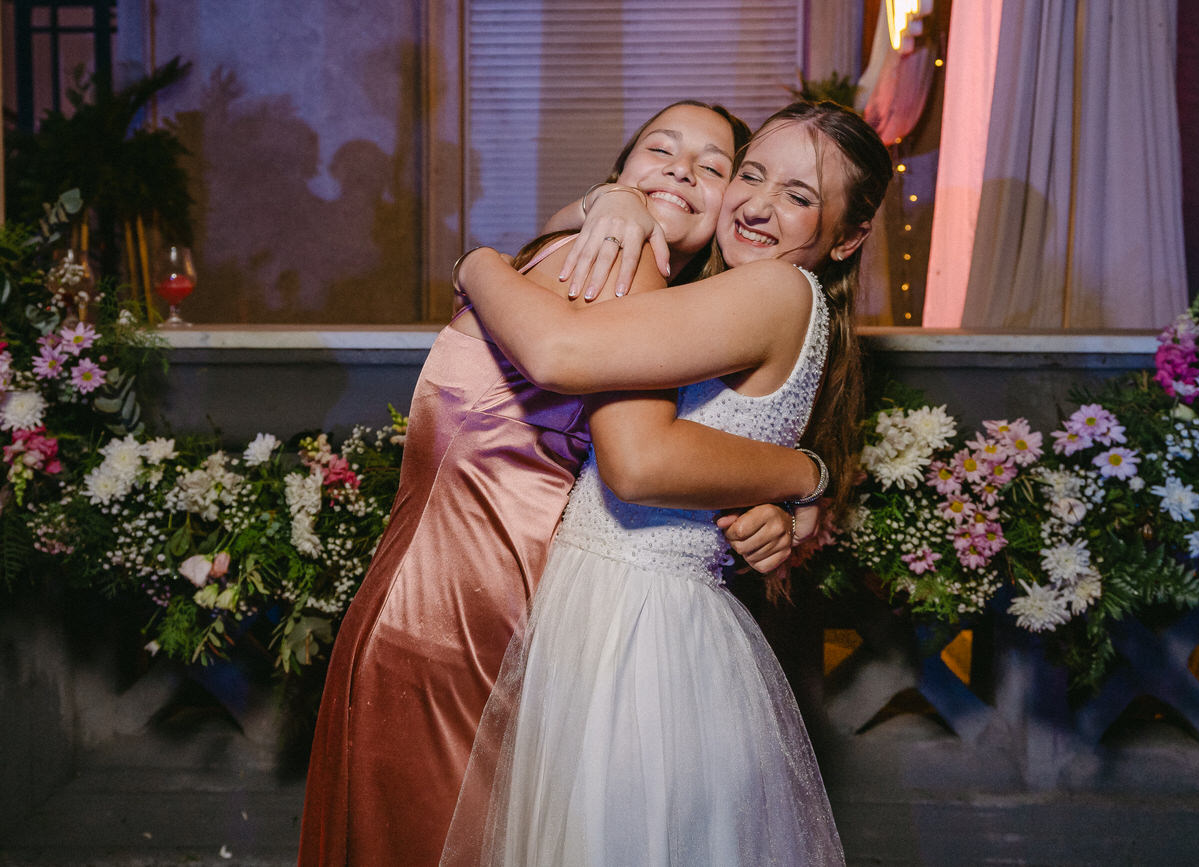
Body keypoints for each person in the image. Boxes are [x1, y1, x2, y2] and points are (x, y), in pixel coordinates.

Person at [297, 101, 832, 866]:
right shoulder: (622, 264)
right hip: (459, 624)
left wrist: (778, 500)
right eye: (661, 151)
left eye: (715, 167)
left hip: (491, 622)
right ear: (620, 173)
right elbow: (617, 434)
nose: (683, 171)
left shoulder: (656, 303)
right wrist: (809, 474)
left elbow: (680, 449)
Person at [441, 101, 893, 866]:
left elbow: (632, 452)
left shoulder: (775, 290)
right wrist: (611, 199)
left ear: (848, 237)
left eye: (798, 195)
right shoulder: (737, 296)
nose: (758, 204)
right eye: (751, 174)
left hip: (637, 632)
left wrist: (477, 263)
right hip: (623, 616)